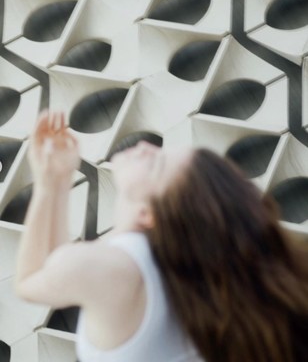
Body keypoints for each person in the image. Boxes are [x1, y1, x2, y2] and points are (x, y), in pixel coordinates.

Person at [15, 110, 308, 362]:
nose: (145, 146)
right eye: (161, 151)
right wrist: (56, 177)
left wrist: (47, 182)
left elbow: (31, 281)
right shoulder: (177, 262)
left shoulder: (117, 269)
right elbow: (57, 267)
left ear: (149, 215)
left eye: (156, 163)